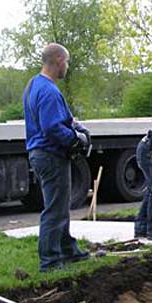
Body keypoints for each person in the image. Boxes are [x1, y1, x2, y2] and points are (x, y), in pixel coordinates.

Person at [23, 43, 91, 271]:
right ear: (60, 60)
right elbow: (51, 127)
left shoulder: (34, 85)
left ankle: (68, 250)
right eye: (67, 62)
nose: (67, 67)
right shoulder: (49, 91)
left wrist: (74, 127)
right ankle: (50, 261)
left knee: (59, 205)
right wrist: (75, 139)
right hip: (51, 155)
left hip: (40, 153)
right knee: (55, 208)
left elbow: (58, 120)